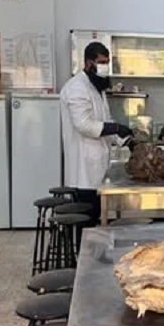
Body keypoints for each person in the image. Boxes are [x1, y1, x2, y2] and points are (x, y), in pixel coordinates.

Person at [60, 42, 134, 226]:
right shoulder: (76, 87)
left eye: (107, 62)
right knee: (86, 225)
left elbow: (105, 121)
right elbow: (84, 125)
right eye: (101, 62)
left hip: (97, 169)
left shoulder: (96, 88)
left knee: (95, 222)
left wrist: (127, 141)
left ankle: (94, 253)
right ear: (88, 63)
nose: (105, 66)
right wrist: (116, 128)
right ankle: (83, 254)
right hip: (83, 172)